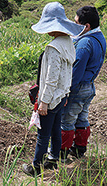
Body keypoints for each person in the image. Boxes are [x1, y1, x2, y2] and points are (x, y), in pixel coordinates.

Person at [22, 2, 85, 176]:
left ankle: (36, 167)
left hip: (50, 98)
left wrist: (43, 102)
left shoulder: (53, 48)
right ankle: (53, 159)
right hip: (62, 95)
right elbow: (67, 73)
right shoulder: (69, 43)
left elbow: (51, 79)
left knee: (43, 134)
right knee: (56, 129)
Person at [60, 6, 106, 161]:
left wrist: (66, 92)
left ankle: (62, 153)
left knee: (67, 120)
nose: (74, 25)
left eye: (76, 22)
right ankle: (80, 148)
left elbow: (76, 72)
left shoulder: (84, 44)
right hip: (89, 86)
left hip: (78, 87)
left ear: (87, 26)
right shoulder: (100, 38)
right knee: (82, 117)